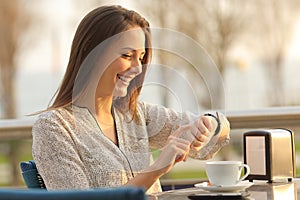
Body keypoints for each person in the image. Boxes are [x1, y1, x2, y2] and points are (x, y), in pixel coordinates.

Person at [32, 5, 230, 194]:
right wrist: (157, 168)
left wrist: (208, 124)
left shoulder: (135, 115)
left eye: (141, 57)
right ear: (90, 53)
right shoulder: (54, 128)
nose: (137, 68)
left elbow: (218, 132)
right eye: (127, 55)